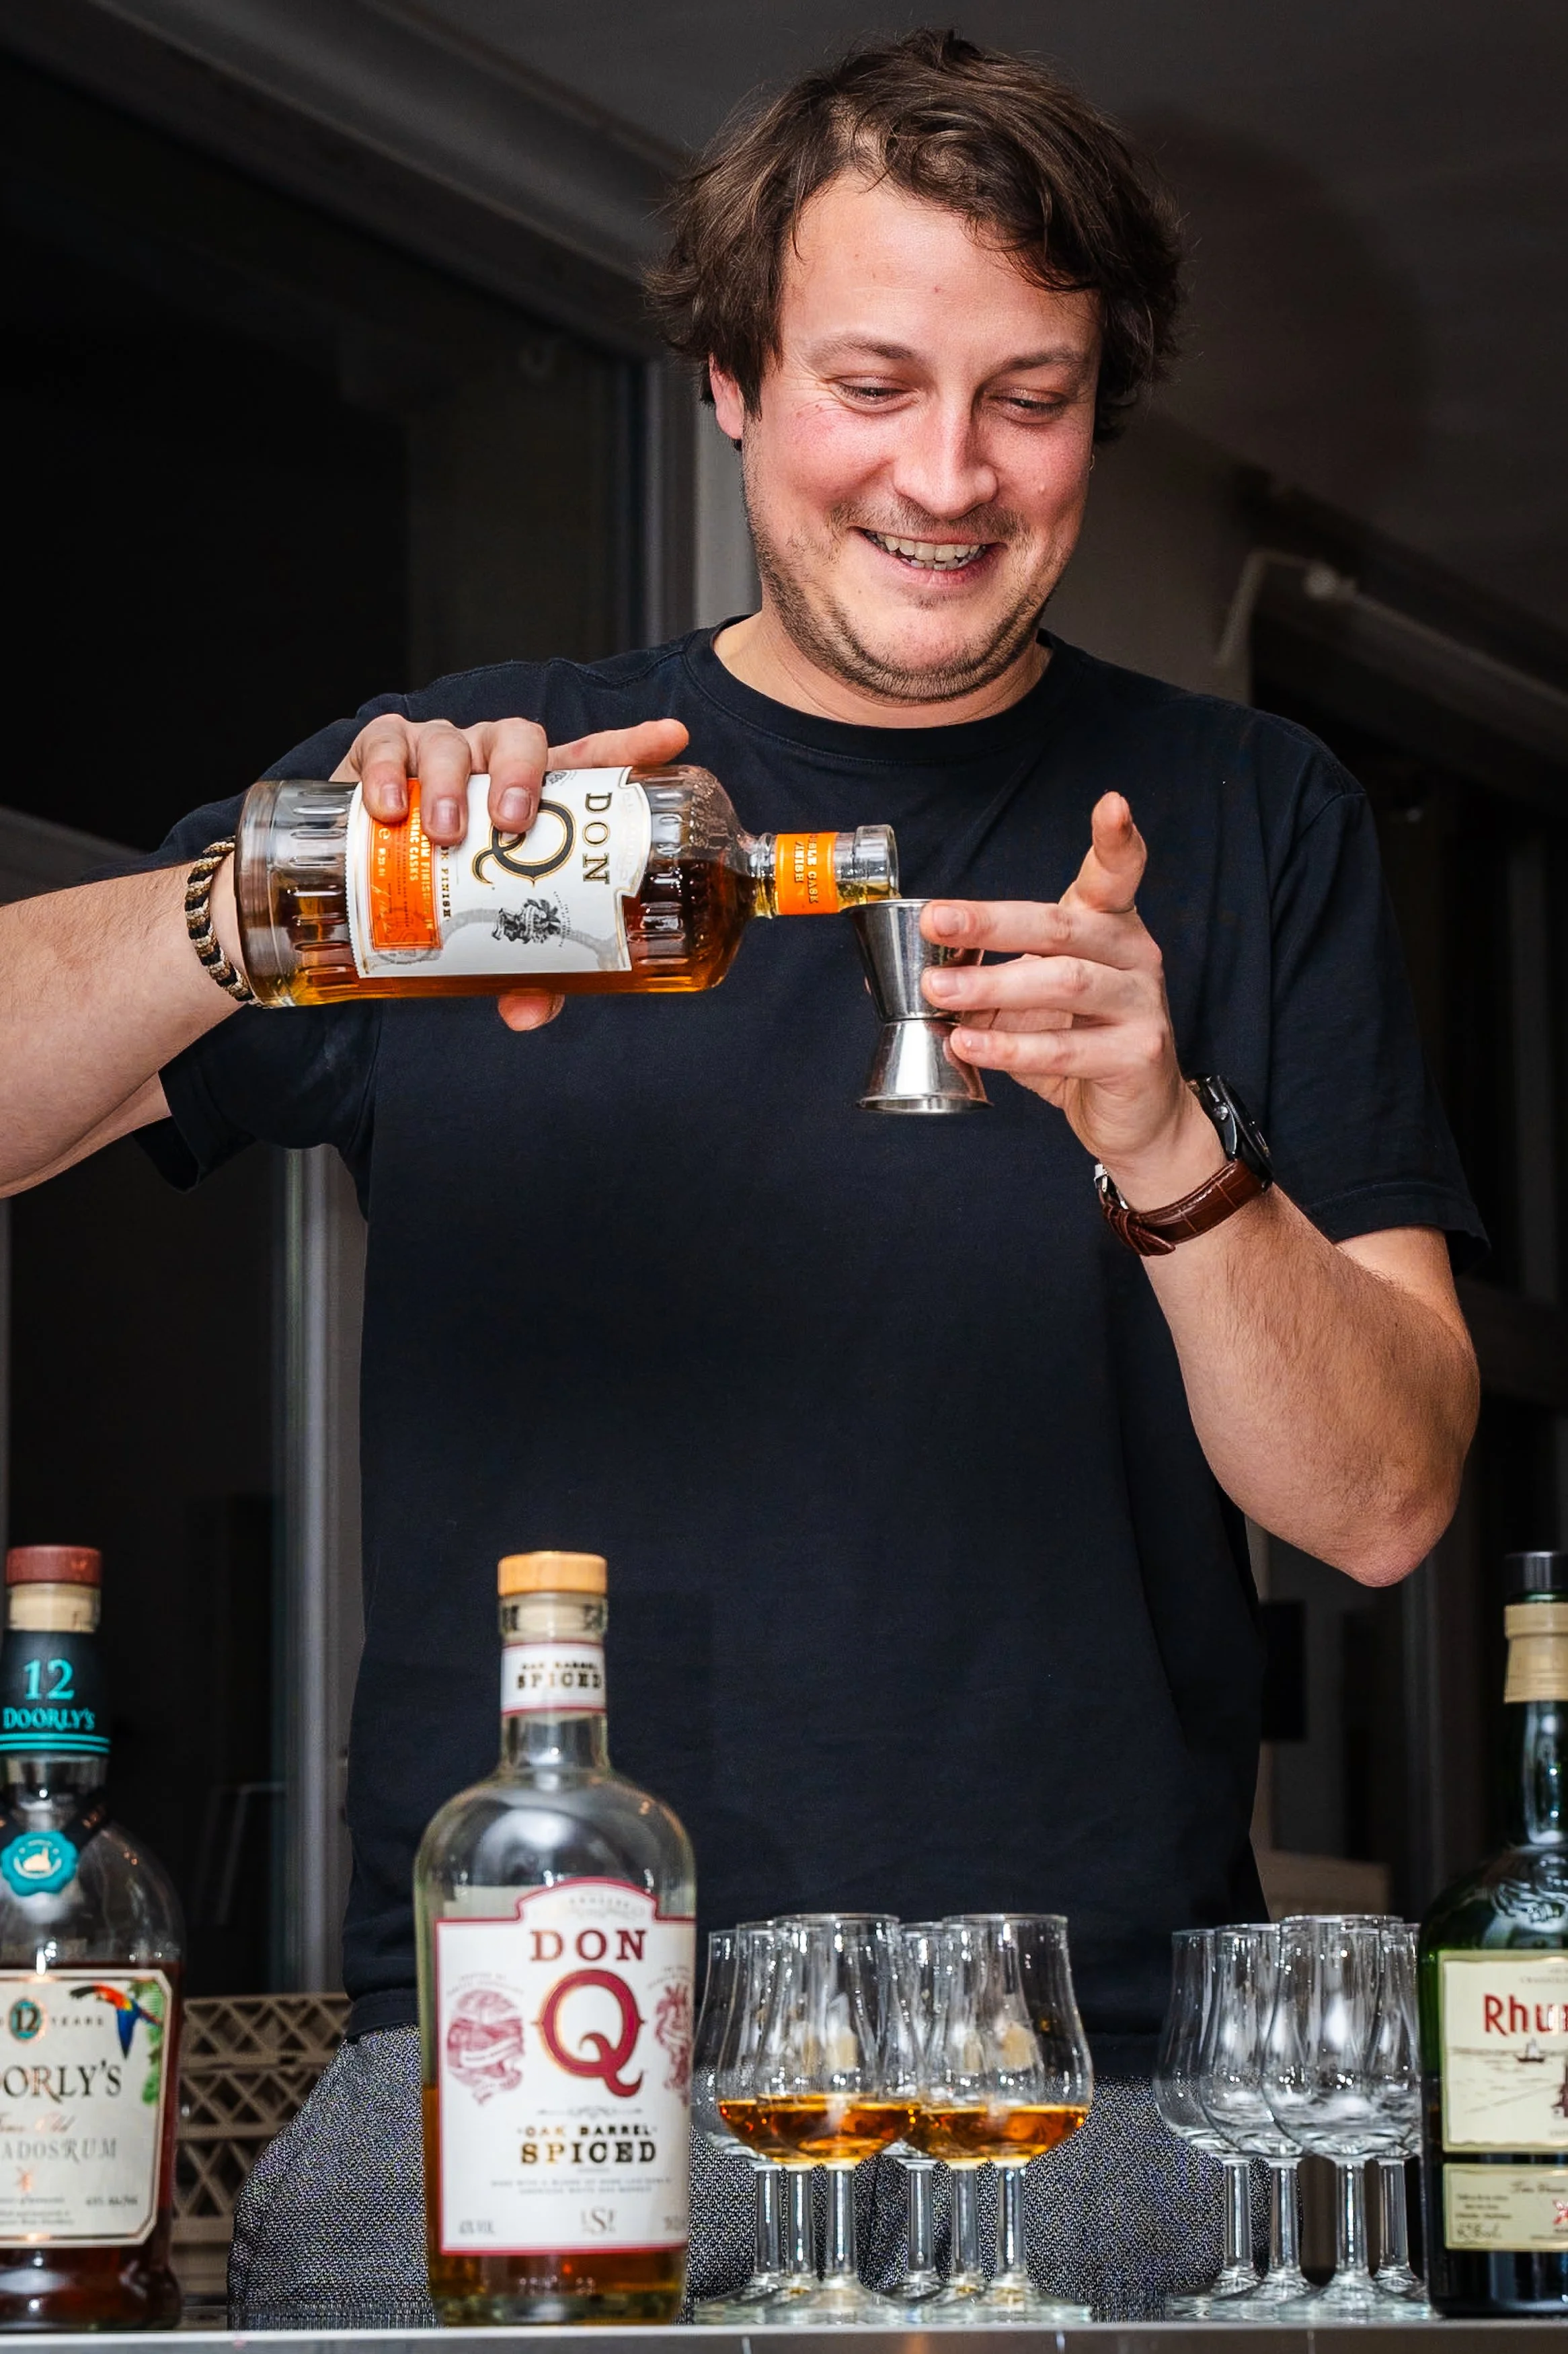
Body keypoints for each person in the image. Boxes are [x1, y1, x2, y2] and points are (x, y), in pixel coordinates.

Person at [0, 28, 1481, 2324]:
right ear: (725, 380)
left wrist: (1168, 1145)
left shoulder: (1250, 817)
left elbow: (1381, 1500)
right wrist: (284, 896)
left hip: (1085, 2090)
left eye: (1031, 395)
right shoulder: (489, 814)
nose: (948, 475)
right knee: (330, 2246)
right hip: (522, 2065)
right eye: (871, 382)